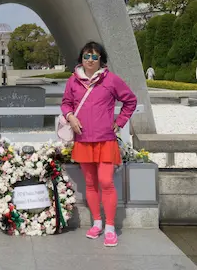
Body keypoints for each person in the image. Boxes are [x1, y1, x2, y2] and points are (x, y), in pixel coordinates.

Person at [61, 41, 137, 247]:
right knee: (90, 184)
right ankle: (97, 223)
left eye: (95, 57)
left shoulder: (111, 80)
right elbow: (66, 102)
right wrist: (70, 116)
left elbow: (130, 101)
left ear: (101, 59)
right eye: (87, 56)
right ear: (81, 59)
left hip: (105, 139)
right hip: (83, 140)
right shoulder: (73, 81)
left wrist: (119, 122)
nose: (91, 60)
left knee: (105, 182)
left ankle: (110, 227)